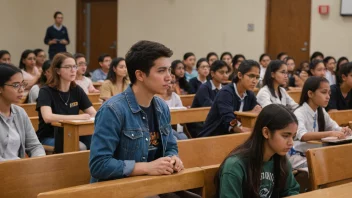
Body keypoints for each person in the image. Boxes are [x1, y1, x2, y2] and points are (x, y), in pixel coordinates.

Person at [89, 40, 183, 183]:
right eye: (161, 71)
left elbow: (170, 146)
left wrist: (173, 158)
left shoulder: (161, 107)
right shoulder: (113, 110)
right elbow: (99, 165)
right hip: (117, 189)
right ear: (140, 75)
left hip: (154, 184)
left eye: (169, 70)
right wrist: (146, 168)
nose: (169, 77)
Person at [217, 104, 300, 198]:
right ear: (266, 132)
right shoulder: (235, 166)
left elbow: (292, 192)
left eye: (293, 136)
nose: (291, 143)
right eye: (285, 136)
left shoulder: (282, 161)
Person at [36, 52, 96, 153]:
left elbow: (93, 113)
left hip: (73, 133)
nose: (73, 70)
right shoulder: (46, 91)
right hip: (49, 136)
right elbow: (48, 117)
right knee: (79, 146)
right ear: (58, 70)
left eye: (74, 66)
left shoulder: (76, 90)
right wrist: (78, 117)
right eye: (68, 67)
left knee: (96, 142)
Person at [289, 76, 351, 170]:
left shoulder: (320, 110)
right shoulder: (299, 112)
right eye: (323, 92)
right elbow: (302, 135)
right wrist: (330, 133)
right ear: (310, 93)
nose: (328, 96)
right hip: (298, 156)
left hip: (314, 154)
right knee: (333, 165)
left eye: (329, 93)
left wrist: (343, 130)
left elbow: (333, 126)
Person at [198, 60, 262, 137]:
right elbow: (229, 120)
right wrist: (249, 117)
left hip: (233, 137)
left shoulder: (249, 94)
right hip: (212, 137)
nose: (255, 81)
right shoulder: (226, 93)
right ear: (240, 75)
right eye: (251, 76)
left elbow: (258, 111)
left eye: (257, 77)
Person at [0, 63, 45, 161]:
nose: (21, 90)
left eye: (23, 84)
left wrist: (38, 160)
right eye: (16, 85)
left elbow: (34, 146)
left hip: (20, 170)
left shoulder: (20, 112)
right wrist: (19, 167)